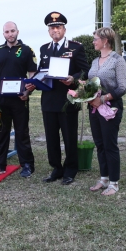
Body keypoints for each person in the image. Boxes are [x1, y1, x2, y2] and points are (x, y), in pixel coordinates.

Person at [28, 12, 89, 185]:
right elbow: (42, 70)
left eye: (58, 27)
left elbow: (85, 71)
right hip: (48, 99)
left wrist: (73, 78)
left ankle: (70, 169)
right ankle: (56, 168)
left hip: (67, 99)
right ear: (49, 31)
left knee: (69, 136)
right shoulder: (44, 49)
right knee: (51, 137)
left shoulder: (76, 48)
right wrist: (34, 81)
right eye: (52, 28)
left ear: (64, 29)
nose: (55, 30)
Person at [0, 21, 37, 178]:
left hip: (20, 98)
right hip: (1, 99)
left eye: (12, 31)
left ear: (18, 32)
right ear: (3, 34)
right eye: (7, 32)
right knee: (1, 132)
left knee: (22, 132)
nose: (10, 34)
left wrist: (27, 92)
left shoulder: (27, 50)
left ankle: (27, 164)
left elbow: (32, 73)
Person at [87, 27, 126, 196]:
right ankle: (104, 178)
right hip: (94, 109)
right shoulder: (95, 61)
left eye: (96, 38)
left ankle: (114, 183)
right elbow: (91, 82)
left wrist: (103, 99)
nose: (93, 41)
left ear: (105, 41)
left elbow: (123, 87)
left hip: (110, 107)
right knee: (99, 144)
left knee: (110, 145)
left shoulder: (118, 60)